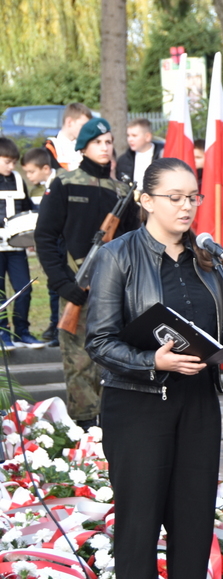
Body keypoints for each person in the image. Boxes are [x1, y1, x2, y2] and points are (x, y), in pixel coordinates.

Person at [86, 158, 223, 579]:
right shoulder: (118, 256)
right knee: (138, 525)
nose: (187, 206)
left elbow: (214, 332)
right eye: (176, 197)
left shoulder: (208, 259)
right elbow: (98, 339)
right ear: (147, 200)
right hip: (137, 405)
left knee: (193, 524)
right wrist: (150, 361)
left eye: (194, 197)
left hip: (198, 404)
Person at [36, 117, 141, 428]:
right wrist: (62, 282)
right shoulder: (65, 183)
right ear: (83, 147)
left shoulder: (120, 191)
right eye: (98, 142)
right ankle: (85, 430)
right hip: (75, 287)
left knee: (114, 359)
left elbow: (133, 242)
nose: (105, 147)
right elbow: (45, 237)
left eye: (109, 142)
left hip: (114, 289)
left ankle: (113, 427)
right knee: (79, 363)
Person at [0, 138, 44, 348]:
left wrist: (30, 236)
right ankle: (3, 334)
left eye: (13, 162)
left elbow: (26, 208)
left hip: (15, 247)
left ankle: (22, 331)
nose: (11, 166)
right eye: (7, 161)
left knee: (23, 289)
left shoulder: (18, 180)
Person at [22, 147, 64, 345]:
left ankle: (60, 329)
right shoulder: (39, 189)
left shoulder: (61, 183)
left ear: (45, 168)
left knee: (59, 286)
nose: (28, 176)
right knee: (52, 286)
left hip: (62, 245)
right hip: (49, 244)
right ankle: (55, 325)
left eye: (31, 171)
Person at [117, 118, 164, 188]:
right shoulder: (123, 160)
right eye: (128, 135)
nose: (130, 139)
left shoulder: (162, 155)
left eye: (134, 135)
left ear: (147, 137)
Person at [45, 103, 92, 171]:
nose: (86, 130)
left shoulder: (87, 147)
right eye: (83, 126)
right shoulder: (50, 148)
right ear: (69, 122)